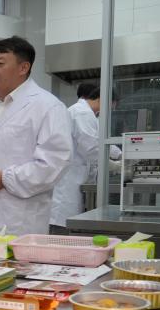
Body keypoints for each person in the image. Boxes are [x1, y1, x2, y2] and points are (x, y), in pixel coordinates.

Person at [0, 36, 72, 246]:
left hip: (20, 220)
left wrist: (5, 178)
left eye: (0, 63)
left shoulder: (47, 107)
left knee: (17, 265)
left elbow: (53, 163)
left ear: (23, 68)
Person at [49, 86, 122, 233]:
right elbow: (92, 149)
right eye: (111, 107)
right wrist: (115, 166)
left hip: (76, 180)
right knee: (62, 233)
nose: (110, 111)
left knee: (69, 227)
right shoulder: (81, 113)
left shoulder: (88, 115)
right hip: (68, 184)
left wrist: (120, 154)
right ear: (102, 99)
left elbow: (100, 141)